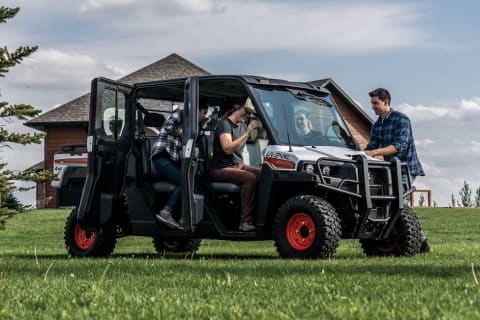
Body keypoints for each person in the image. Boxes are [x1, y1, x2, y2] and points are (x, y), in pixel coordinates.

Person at [363, 88, 431, 253]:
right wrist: (361, 154)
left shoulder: (402, 119)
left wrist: (374, 153)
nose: (373, 107)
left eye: (375, 103)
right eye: (372, 103)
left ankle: (421, 241)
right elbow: (371, 146)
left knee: (401, 204)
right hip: (389, 169)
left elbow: (400, 146)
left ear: (386, 102)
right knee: (391, 203)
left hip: (406, 168)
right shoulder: (378, 125)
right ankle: (412, 240)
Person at [151, 103, 208, 229]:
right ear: (197, 109)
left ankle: (184, 217)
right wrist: (185, 135)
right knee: (185, 182)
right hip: (161, 158)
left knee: (191, 180)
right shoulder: (181, 112)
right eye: (204, 113)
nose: (204, 116)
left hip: (171, 159)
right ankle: (166, 211)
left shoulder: (191, 122)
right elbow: (168, 127)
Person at [209, 97, 261, 231]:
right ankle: (245, 221)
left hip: (238, 165)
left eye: (250, 114)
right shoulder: (224, 125)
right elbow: (227, 148)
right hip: (220, 168)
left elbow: (254, 138)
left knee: (264, 174)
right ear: (236, 108)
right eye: (246, 112)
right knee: (249, 178)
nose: (247, 116)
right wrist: (247, 133)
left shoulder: (243, 125)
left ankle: (260, 217)